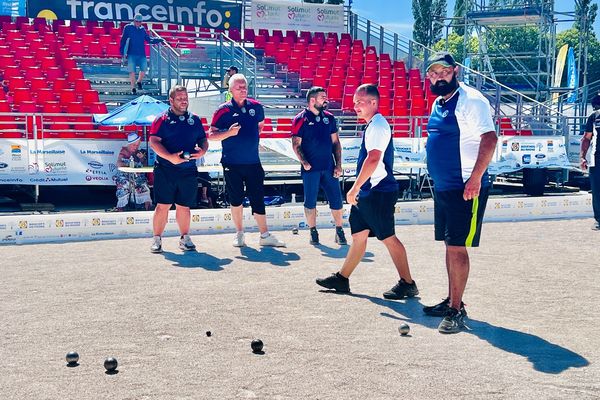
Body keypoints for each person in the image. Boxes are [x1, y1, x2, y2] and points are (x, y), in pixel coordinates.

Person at [315, 84, 418, 300]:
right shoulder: (372, 125)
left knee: (388, 238)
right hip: (368, 191)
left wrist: (355, 188)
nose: (355, 107)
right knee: (359, 236)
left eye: (359, 102)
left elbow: (373, 159)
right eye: (354, 102)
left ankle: (408, 283)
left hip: (379, 191)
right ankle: (342, 278)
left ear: (373, 102)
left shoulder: (378, 126)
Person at [422, 51, 498, 334]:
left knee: (457, 247)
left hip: (465, 187)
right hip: (444, 187)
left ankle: (456, 309)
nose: (438, 76)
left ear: (454, 71)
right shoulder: (439, 102)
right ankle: (452, 299)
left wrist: (476, 178)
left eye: (443, 71)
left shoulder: (471, 100)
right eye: (433, 72)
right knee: (449, 244)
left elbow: (489, 139)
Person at [209, 73, 285, 248]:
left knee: (258, 198)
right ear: (231, 90)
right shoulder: (223, 110)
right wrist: (228, 133)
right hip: (232, 163)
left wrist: (251, 140)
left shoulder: (256, 107)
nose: (243, 90)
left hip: (253, 162)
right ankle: (239, 234)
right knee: (236, 200)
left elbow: (260, 125)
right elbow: (211, 135)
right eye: (239, 87)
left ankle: (264, 235)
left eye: (245, 87)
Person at [148, 85, 208, 253]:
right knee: (162, 206)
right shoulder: (161, 119)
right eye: (180, 98)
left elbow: (203, 140)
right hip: (165, 170)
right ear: (171, 100)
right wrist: (170, 157)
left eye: (185, 98)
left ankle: (184, 238)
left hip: (188, 170)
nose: (184, 101)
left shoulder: (194, 119)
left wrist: (203, 150)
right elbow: (154, 142)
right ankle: (157, 239)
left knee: (184, 206)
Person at [291, 86, 347, 245]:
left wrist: (338, 165)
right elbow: (296, 144)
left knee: (336, 200)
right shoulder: (300, 119)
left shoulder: (329, 118)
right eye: (323, 97)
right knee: (310, 202)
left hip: (329, 167)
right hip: (311, 170)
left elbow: (336, 142)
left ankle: (339, 230)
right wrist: (305, 163)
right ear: (312, 100)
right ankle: (313, 231)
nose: (326, 100)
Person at [119, 13, 163, 94]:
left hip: (141, 53)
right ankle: (133, 88)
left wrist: (158, 39)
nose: (138, 23)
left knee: (144, 69)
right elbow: (123, 39)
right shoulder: (128, 27)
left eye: (139, 22)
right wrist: (122, 51)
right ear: (134, 21)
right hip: (131, 53)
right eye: (136, 21)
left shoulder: (142, 29)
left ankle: (139, 81)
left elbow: (148, 39)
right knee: (132, 71)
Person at [114, 132, 152, 211]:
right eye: (134, 145)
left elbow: (144, 165)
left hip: (136, 176)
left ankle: (148, 207)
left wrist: (142, 159)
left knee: (144, 185)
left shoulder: (138, 152)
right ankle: (120, 208)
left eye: (137, 145)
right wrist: (130, 164)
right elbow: (118, 163)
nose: (136, 147)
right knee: (124, 186)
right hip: (125, 176)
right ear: (129, 144)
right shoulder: (124, 151)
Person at [581, 93, 600, 231]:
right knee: (597, 190)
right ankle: (599, 219)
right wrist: (582, 157)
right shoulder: (594, 117)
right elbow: (586, 138)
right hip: (597, 157)